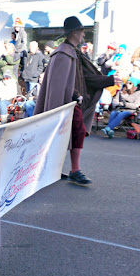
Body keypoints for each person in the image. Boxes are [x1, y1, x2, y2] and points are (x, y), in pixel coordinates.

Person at [34, 16, 119, 186]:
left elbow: (85, 76)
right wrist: (72, 95)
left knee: (73, 133)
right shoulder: (63, 54)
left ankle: (58, 169)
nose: (83, 35)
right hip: (67, 103)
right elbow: (58, 85)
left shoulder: (73, 52)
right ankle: (68, 170)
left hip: (73, 103)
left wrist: (108, 81)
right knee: (71, 133)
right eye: (81, 32)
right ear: (73, 33)